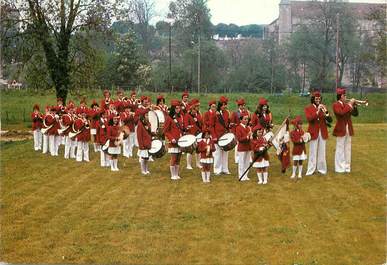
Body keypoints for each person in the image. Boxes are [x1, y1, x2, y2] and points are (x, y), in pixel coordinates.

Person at [304, 90, 332, 175]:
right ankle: (311, 170)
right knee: (312, 152)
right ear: (313, 99)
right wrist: (318, 111)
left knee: (322, 151)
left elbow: (330, 120)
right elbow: (310, 119)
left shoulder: (324, 107)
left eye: (319, 98)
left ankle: (322, 169)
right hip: (313, 132)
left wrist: (326, 112)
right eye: (316, 98)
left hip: (322, 131)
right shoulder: (308, 108)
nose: (318, 100)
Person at [332, 87, 358, 173]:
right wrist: (350, 104)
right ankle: (339, 168)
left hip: (348, 128)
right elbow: (341, 113)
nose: (346, 97)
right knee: (340, 148)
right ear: (340, 96)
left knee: (348, 148)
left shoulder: (347, 105)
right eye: (344, 95)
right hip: (341, 128)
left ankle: (347, 167)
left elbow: (355, 114)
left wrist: (354, 106)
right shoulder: (336, 105)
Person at [164, 99, 184, 180]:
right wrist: (171, 138)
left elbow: (181, 128)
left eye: (179, 108)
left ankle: (176, 174)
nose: (178, 110)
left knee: (178, 158)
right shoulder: (169, 118)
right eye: (176, 108)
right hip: (173, 141)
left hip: (180, 141)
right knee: (174, 158)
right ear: (173, 109)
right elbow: (166, 131)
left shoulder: (180, 117)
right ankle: (173, 175)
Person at [213, 96, 231, 175]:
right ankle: (217, 169)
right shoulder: (215, 113)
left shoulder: (227, 113)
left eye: (226, 104)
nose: (225, 106)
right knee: (217, 153)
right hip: (217, 135)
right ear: (220, 105)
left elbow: (227, 123)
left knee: (225, 152)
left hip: (225, 135)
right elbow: (212, 125)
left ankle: (225, 169)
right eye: (223, 105)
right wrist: (214, 136)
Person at [184, 98, 202, 170]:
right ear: (192, 108)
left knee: (198, 149)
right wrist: (193, 127)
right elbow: (186, 126)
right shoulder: (187, 115)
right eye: (196, 107)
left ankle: (198, 163)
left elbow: (201, 123)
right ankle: (188, 164)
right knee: (190, 150)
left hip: (198, 134)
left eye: (197, 107)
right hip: (191, 134)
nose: (197, 109)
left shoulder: (199, 114)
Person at [230, 98, 249, 163]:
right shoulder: (235, 113)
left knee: (245, 143)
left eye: (243, 105)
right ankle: (237, 158)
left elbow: (248, 121)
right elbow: (232, 123)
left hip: (245, 129)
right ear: (239, 106)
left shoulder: (246, 112)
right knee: (237, 145)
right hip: (237, 130)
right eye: (241, 105)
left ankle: (245, 158)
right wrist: (233, 133)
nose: (243, 107)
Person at [235, 113, 252, 181]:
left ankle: (245, 175)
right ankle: (241, 175)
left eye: (247, 119)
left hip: (248, 147)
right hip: (242, 147)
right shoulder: (238, 128)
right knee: (241, 162)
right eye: (245, 119)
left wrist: (251, 137)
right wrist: (247, 136)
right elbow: (239, 139)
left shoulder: (248, 127)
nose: (246, 120)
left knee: (247, 162)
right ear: (241, 119)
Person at [136, 108, 152, 175]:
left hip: (148, 142)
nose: (147, 116)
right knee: (143, 157)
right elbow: (139, 136)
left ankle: (146, 169)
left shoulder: (148, 123)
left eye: (148, 115)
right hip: (143, 144)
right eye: (146, 115)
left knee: (147, 157)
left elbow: (150, 132)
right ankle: (143, 170)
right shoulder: (140, 124)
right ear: (143, 116)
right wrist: (141, 145)